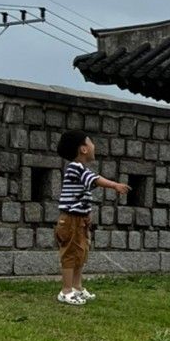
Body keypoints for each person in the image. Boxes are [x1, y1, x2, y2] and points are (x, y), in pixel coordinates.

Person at [55, 130, 130, 305]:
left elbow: (83, 195)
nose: (93, 145)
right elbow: (94, 180)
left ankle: (77, 287)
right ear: (83, 149)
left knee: (81, 253)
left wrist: (87, 214)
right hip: (70, 220)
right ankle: (65, 291)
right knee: (69, 254)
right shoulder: (75, 168)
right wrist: (115, 185)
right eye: (91, 142)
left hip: (79, 220)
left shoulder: (81, 170)